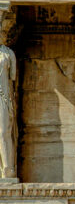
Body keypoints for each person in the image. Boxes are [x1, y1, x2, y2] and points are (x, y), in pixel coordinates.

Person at [0, 41, 16, 178]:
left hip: (3, 97)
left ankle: (7, 168)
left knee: (4, 131)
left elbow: (12, 78)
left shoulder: (8, 53)